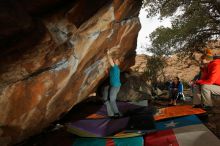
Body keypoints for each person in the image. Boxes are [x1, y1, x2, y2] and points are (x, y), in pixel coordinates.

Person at [102, 50, 122, 118]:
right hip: (115, 86)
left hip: (115, 86)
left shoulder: (116, 68)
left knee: (112, 100)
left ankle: (117, 113)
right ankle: (116, 112)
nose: (115, 61)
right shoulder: (113, 69)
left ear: (118, 63)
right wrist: (107, 72)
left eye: (116, 61)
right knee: (111, 98)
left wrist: (108, 54)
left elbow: (110, 61)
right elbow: (110, 75)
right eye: (115, 60)